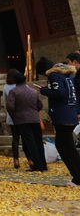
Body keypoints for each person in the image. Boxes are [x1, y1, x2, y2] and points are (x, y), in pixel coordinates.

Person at [37, 56, 80, 186]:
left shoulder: (54, 76)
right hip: (70, 112)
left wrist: (44, 90)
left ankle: (77, 177)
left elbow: (60, 93)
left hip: (62, 115)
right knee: (66, 146)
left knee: (65, 147)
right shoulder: (67, 75)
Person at [4, 69, 46, 172]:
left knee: (30, 142)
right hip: (34, 118)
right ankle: (43, 165)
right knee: (38, 141)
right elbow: (40, 105)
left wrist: (15, 115)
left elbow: (10, 106)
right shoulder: (33, 91)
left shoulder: (13, 92)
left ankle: (37, 165)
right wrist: (34, 111)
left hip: (22, 120)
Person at [3, 68, 22, 169]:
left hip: (12, 115)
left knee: (15, 138)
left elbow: (6, 102)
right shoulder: (21, 85)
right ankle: (30, 159)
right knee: (25, 137)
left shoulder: (6, 87)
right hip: (22, 115)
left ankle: (16, 159)